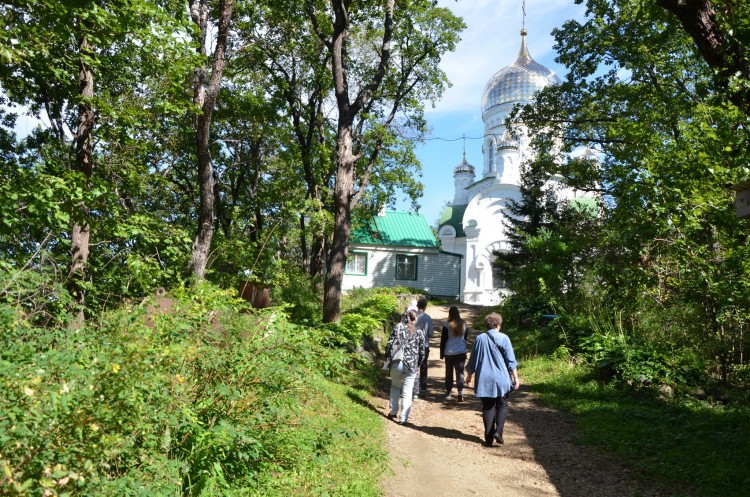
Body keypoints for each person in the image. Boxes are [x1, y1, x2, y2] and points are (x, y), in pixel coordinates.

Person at [465, 312, 520, 447]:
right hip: (502, 378)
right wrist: (515, 378)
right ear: (497, 324)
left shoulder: (480, 339)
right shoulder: (504, 338)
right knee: (502, 404)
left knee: (488, 407)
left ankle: (488, 438)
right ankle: (499, 432)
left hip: (484, 378)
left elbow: (473, 359)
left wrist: (469, 374)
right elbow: (511, 361)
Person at [384, 308, 426, 424]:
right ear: (415, 319)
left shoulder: (397, 329)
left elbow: (388, 346)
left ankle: (393, 412)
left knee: (395, 386)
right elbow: (422, 351)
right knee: (407, 391)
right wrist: (419, 364)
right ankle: (403, 418)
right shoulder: (419, 332)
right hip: (412, 364)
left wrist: (387, 359)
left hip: (397, 361)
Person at [439, 305, 469, 402]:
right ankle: (460, 392)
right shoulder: (464, 324)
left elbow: (443, 340)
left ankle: (448, 393)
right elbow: (465, 338)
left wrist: (441, 353)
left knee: (449, 373)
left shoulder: (446, 324)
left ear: (450, 314)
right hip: (461, 351)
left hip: (449, 352)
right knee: (460, 372)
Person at [412, 297, 434, 400]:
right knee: (423, 366)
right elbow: (431, 334)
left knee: (414, 367)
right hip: (424, 345)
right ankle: (423, 389)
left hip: (413, 345)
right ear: (425, 307)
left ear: (417, 306)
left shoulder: (412, 316)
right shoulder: (428, 318)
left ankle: (414, 391)